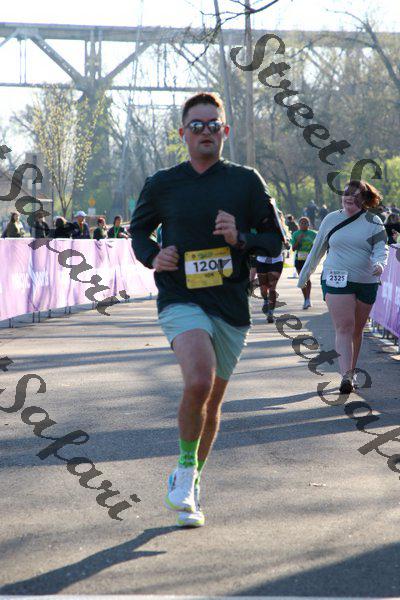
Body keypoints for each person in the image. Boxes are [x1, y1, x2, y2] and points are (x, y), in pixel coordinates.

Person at [130, 91, 283, 528]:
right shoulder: (163, 183)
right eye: (196, 126)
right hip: (181, 297)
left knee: (212, 401)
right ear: (183, 133)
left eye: (213, 125)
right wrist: (153, 255)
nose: (205, 132)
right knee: (198, 379)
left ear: (225, 131)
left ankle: (192, 480)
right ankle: (183, 470)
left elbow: (276, 240)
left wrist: (240, 237)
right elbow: (139, 232)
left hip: (231, 305)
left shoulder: (245, 181)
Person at [298, 180, 388, 394]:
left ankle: (351, 370)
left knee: (357, 329)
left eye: (355, 195)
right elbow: (317, 249)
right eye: (346, 194)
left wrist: (380, 263)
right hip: (336, 278)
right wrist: (304, 276)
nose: (349, 198)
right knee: (345, 327)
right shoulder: (331, 219)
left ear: (364, 199)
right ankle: (346, 376)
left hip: (366, 280)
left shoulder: (374, 221)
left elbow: (381, 248)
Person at [256, 208, 290, 323]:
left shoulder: (281, 229)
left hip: (276, 260)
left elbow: (287, 243)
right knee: (263, 288)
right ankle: (265, 300)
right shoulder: (260, 227)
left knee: (272, 287)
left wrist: (287, 244)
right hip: (262, 259)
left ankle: (271, 313)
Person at [291, 216, 317, 309]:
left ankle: (308, 299)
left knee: (307, 278)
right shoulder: (295, 234)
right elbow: (293, 248)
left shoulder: (313, 234)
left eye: (305, 223)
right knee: (302, 279)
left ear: (308, 224)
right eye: (302, 223)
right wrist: (298, 240)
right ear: (299, 224)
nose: (303, 224)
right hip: (299, 259)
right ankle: (305, 299)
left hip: (309, 259)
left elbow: (318, 246)